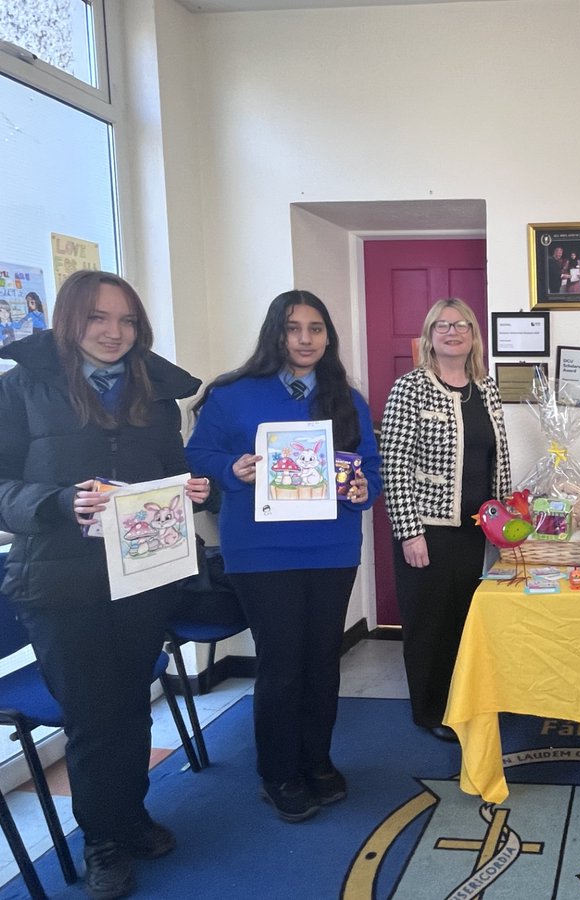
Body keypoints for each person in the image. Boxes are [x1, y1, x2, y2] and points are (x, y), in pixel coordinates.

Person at [0, 270, 212, 899]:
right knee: (93, 719)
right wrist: (59, 503)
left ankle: (132, 814)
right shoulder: (22, 390)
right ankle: (102, 840)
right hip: (60, 586)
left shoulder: (154, 393)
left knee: (131, 704)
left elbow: (172, 475)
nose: (114, 332)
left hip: (145, 579)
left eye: (125, 320)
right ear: (69, 320)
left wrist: (197, 489)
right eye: (98, 318)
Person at [186, 289, 381, 822]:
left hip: (332, 547)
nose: (305, 339)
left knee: (322, 660)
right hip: (261, 550)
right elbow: (198, 455)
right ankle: (277, 774)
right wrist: (232, 469)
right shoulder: (231, 394)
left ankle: (316, 760)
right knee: (282, 663)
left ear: (328, 336)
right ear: (276, 333)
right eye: (294, 328)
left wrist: (367, 487)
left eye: (315, 328)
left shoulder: (347, 397)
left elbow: (370, 464)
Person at [379, 298, 511, 742]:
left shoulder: (486, 388)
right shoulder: (411, 387)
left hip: (475, 531)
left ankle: (464, 700)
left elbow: (500, 457)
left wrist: (505, 523)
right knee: (429, 622)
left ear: (474, 335)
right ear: (430, 335)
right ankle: (431, 711)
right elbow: (394, 464)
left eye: (462, 325)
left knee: (466, 620)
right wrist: (409, 532)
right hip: (428, 532)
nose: (452, 332)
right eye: (442, 325)